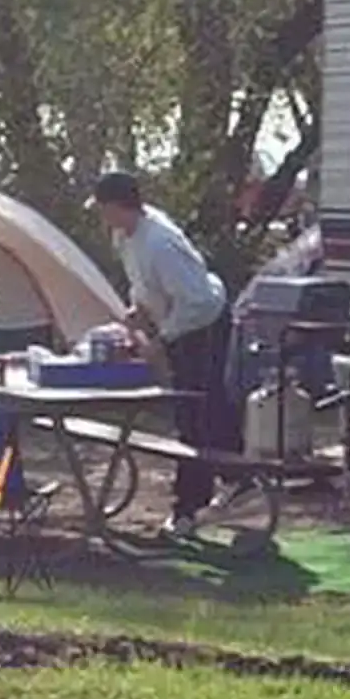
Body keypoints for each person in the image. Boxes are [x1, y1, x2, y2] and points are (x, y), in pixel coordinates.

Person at [89, 170, 241, 539]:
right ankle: (235, 476)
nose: (101, 217)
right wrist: (137, 311)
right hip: (180, 323)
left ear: (119, 205)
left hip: (203, 323)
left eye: (104, 208)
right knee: (192, 412)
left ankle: (191, 506)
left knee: (197, 413)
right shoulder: (124, 237)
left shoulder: (161, 242)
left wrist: (164, 338)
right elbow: (142, 284)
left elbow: (197, 302)